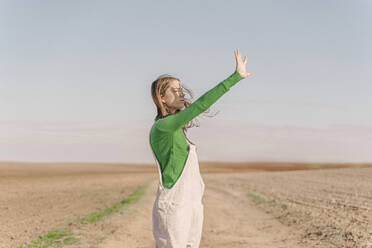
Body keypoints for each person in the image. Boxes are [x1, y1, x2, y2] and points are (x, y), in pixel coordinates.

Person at [149, 49, 252, 247]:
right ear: (162, 98)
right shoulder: (163, 127)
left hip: (191, 203)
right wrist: (235, 77)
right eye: (174, 90)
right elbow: (199, 106)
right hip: (175, 206)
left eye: (181, 89)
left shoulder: (176, 128)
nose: (180, 93)